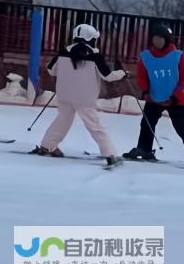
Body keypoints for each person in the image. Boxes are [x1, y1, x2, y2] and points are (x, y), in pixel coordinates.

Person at [31, 24, 126, 166]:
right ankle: (110, 154)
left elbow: (51, 70)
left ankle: (47, 145)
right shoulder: (95, 56)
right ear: (92, 39)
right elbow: (108, 76)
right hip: (85, 99)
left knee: (62, 121)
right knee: (94, 126)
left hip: (64, 96)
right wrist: (123, 73)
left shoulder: (63, 52)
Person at [124, 24, 184, 161]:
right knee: (147, 123)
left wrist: (176, 96)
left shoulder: (178, 56)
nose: (157, 41)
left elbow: (183, 80)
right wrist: (145, 92)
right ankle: (144, 149)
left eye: (160, 38)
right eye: (155, 38)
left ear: (167, 40)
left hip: (176, 100)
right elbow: (142, 77)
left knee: (181, 127)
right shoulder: (145, 57)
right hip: (154, 98)